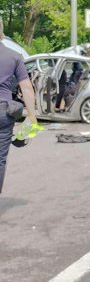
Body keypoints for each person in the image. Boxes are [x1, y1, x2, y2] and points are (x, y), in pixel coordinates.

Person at [0, 17, 37, 194]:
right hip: (3, 112)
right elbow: (27, 88)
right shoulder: (14, 56)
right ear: (2, 33)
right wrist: (32, 116)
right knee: (0, 159)